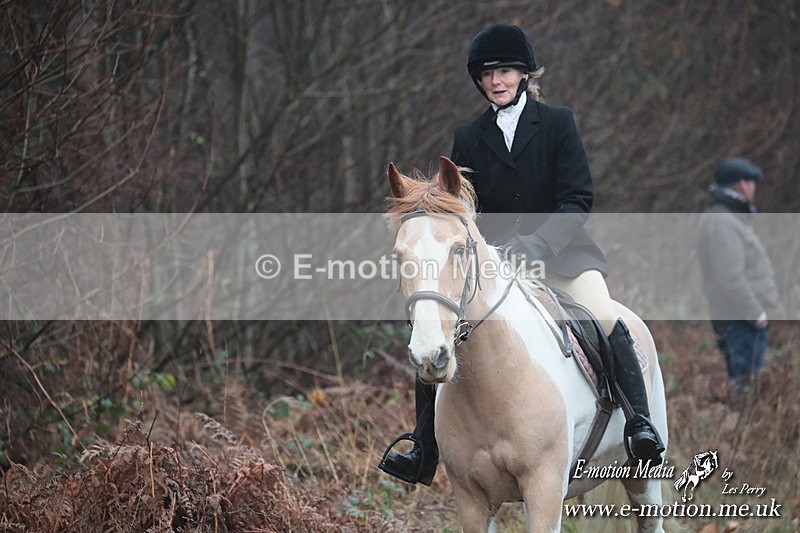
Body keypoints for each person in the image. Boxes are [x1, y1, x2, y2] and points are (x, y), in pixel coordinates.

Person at [379, 23, 664, 486]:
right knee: (435, 329)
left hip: (562, 257)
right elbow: (460, 210)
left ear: (524, 74)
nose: (497, 81)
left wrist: (537, 244)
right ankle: (424, 448)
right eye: (488, 73)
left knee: (605, 316)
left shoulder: (557, 123)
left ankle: (638, 427)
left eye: (506, 71)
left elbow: (577, 199)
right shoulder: (468, 135)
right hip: (495, 265)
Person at [697, 157, 780, 396]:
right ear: (743, 185)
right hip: (740, 318)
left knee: (749, 381)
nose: (754, 188)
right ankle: (744, 429)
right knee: (746, 386)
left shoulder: (729, 218)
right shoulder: (722, 222)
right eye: (752, 183)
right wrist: (755, 313)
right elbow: (729, 277)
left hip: (741, 317)